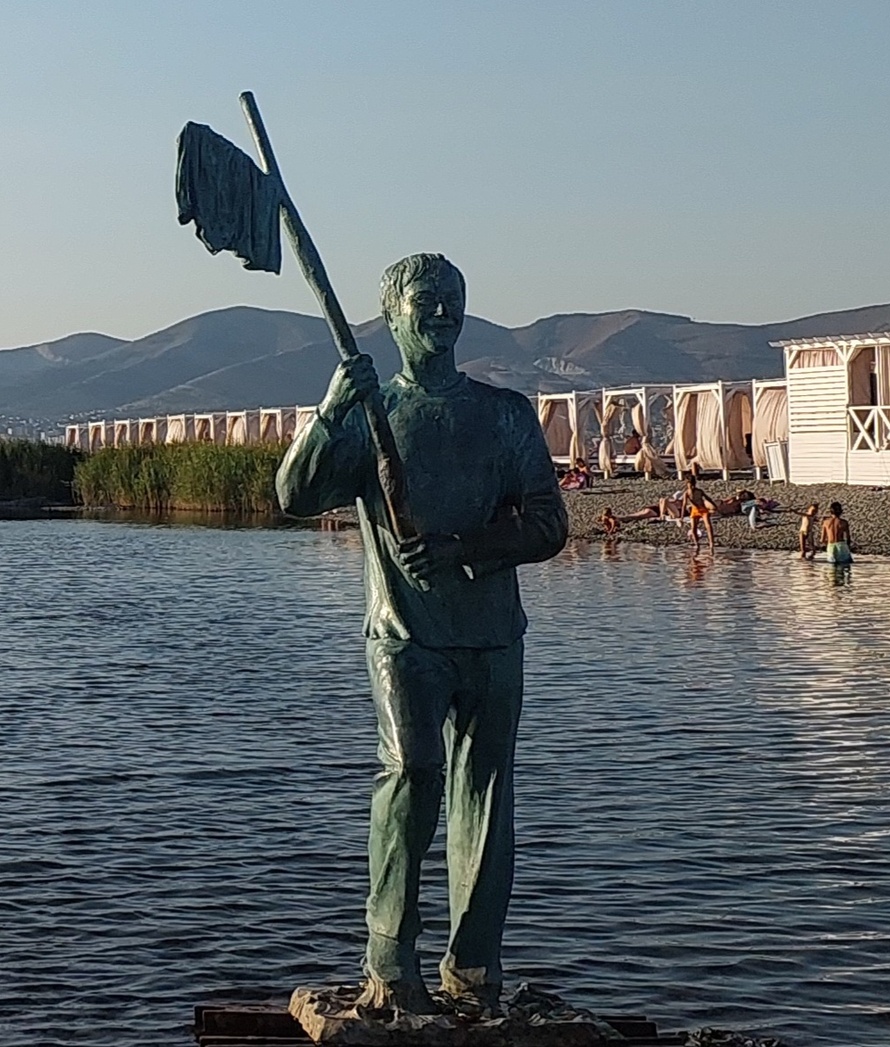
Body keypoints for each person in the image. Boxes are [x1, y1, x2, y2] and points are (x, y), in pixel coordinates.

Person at [276, 253, 567, 1014]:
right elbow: (293, 495)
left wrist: (465, 548)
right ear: (393, 316)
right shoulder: (374, 415)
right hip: (404, 636)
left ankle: (474, 970)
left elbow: (547, 522)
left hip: (493, 638)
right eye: (426, 301)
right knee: (412, 778)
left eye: (453, 301)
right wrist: (330, 413)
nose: (442, 312)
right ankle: (389, 961)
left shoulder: (505, 415)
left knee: (486, 795)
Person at [679, 475, 716, 552]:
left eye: (691, 484)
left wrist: (714, 505)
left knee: (708, 526)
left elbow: (707, 498)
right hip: (694, 511)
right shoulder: (687, 493)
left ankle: (711, 544)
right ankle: (697, 545)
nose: (690, 486)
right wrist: (681, 517)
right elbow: (684, 505)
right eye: (689, 484)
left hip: (702, 509)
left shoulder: (699, 491)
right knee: (693, 529)